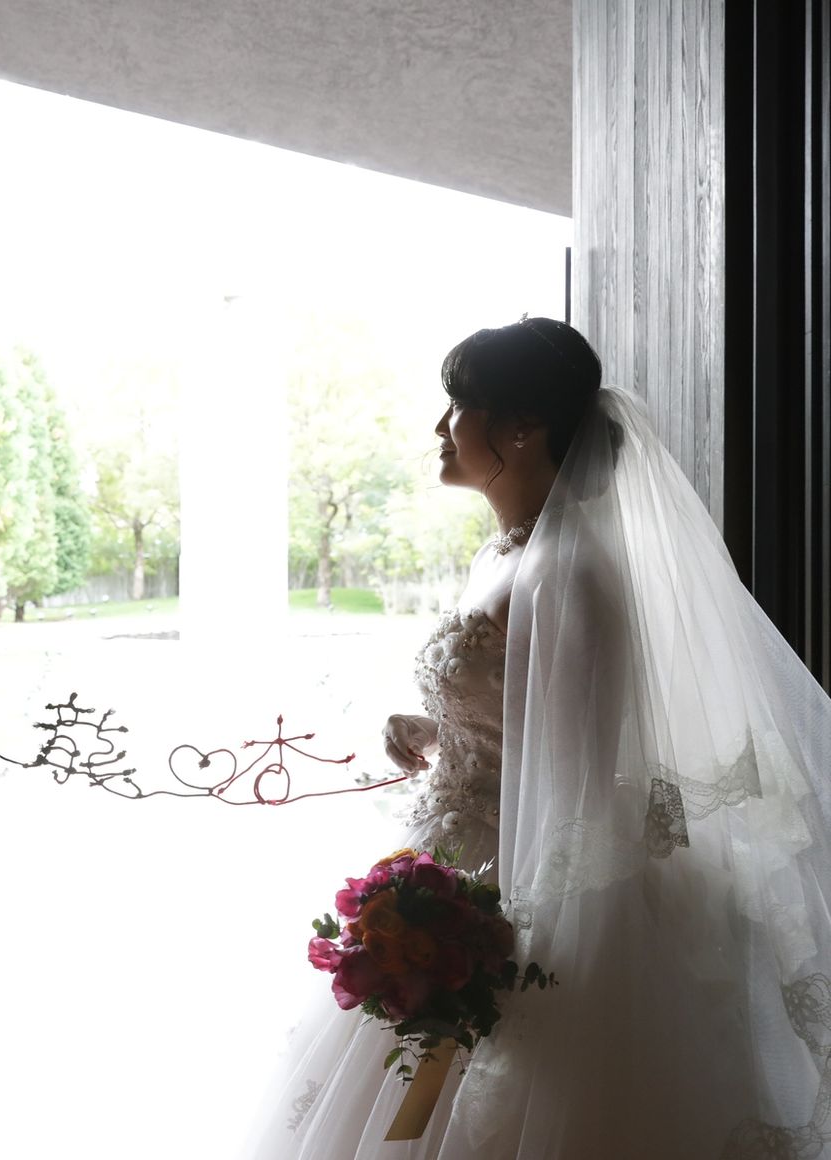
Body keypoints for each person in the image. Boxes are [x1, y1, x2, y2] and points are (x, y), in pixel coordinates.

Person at [253, 317, 831, 1158]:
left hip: (528, 878)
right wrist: (438, 727)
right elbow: (520, 714)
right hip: (464, 849)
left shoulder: (575, 573)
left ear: (521, 428)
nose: (440, 426)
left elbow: (586, 780)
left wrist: (489, 926)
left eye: (458, 405)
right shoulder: (506, 554)